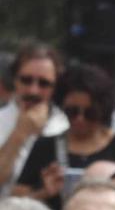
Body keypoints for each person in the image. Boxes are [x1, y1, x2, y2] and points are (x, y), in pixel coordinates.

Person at [13, 65, 115, 210]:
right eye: (72, 112)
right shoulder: (45, 146)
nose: (80, 119)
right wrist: (44, 192)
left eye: (90, 113)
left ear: (103, 111)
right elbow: (17, 200)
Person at [0, 48, 66, 194]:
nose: (33, 91)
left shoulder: (65, 125)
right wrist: (19, 133)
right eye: (26, 80)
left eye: (44, 83)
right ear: (14, 80)